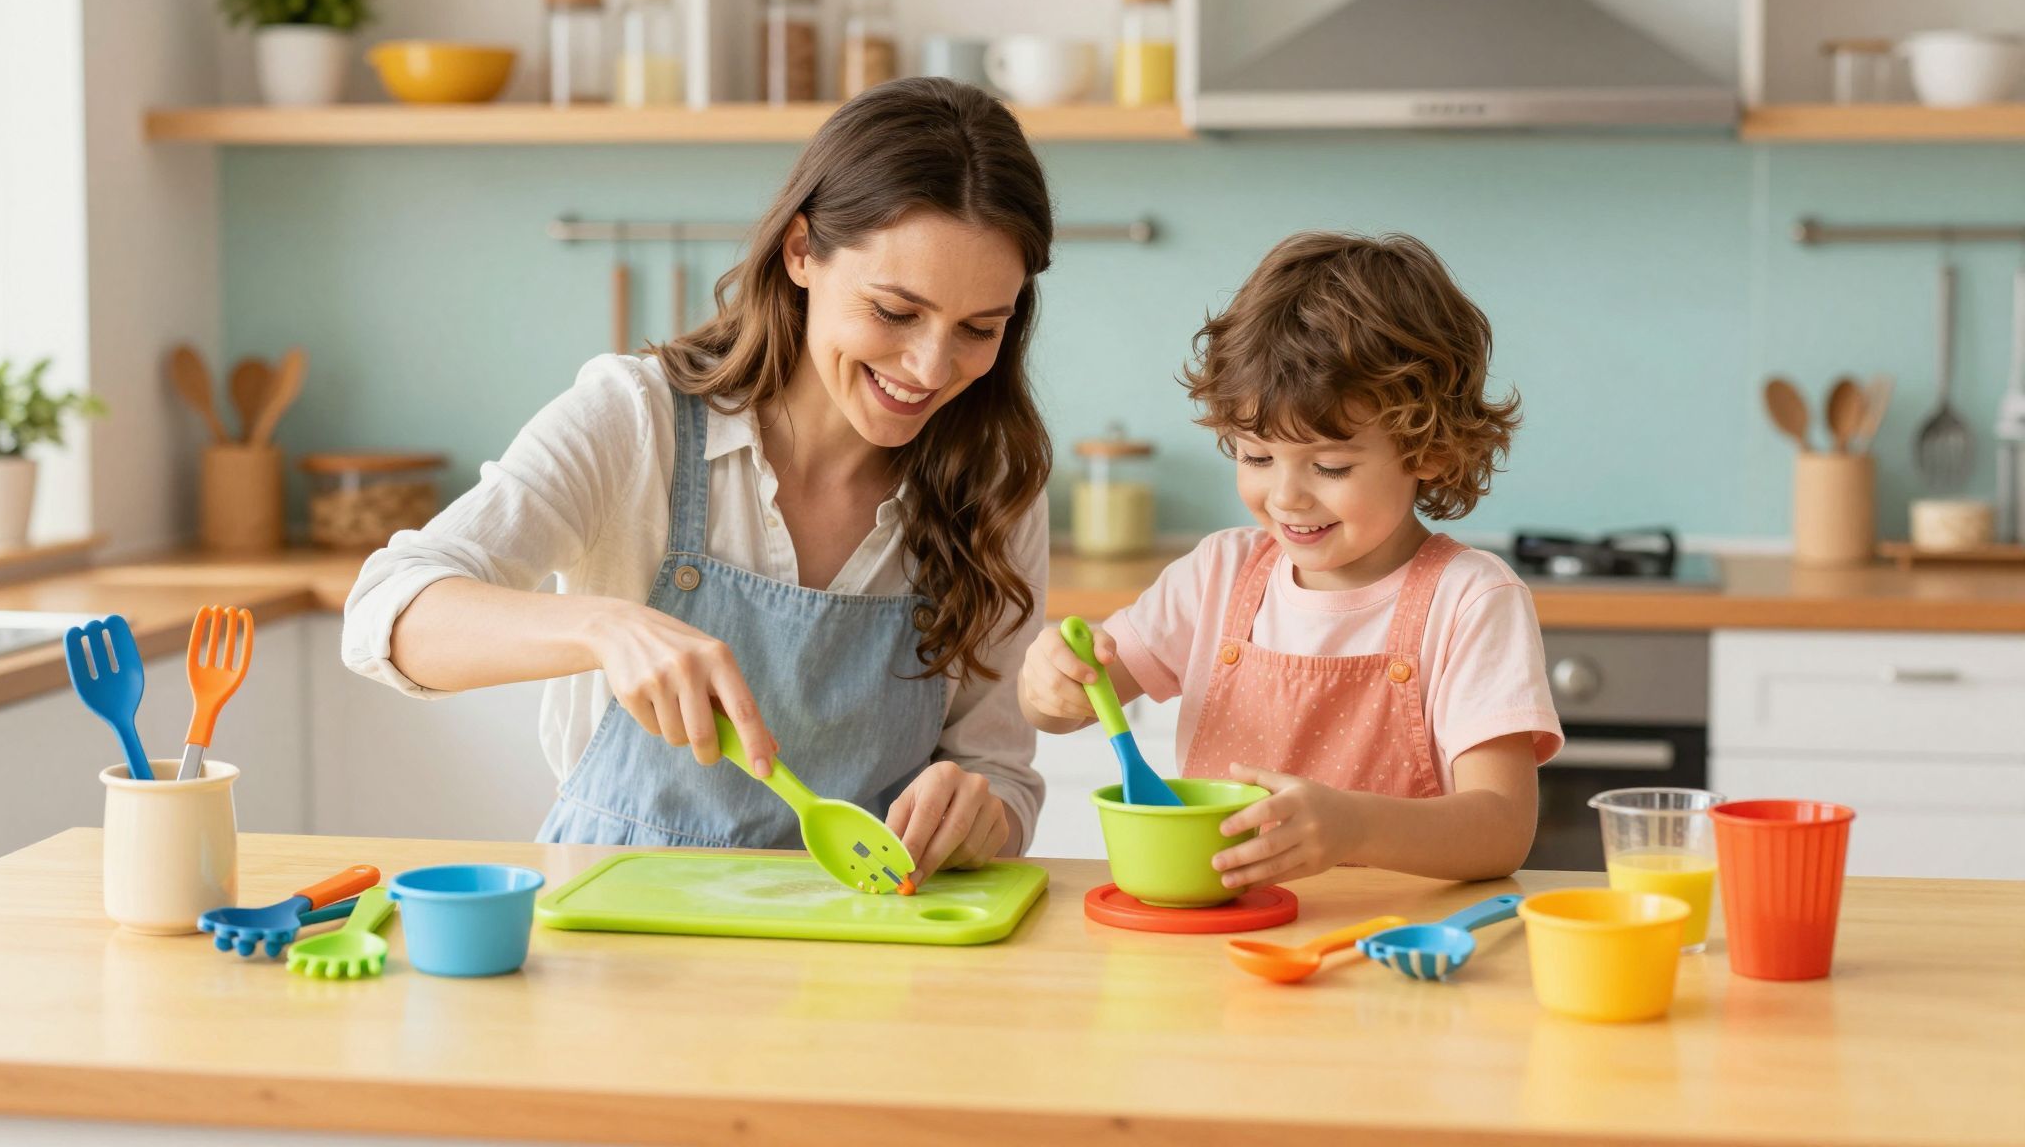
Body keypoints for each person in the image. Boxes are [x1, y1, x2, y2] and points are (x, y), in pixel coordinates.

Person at [343, 79, 1055, 886]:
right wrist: (602, 629)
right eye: (895, 312)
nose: (930, 367)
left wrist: (978, 813)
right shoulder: (635, 420)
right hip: (616, 939)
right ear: (800, 252)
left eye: (978, 329)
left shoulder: (994, 486)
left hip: (859, 955)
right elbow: (385, 612)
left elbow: (1004, 778)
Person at [1019, 232, 1561, 886]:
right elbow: (1068, 709)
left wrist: (1356, 828)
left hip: (1388, 953)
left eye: (1330, 466)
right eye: (1257, 457)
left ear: (1429, 451)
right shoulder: (1217, 575)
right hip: (1225, 943)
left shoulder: (1470, 600)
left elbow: (1502, 829)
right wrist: (1052, 684)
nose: (1286, 496)